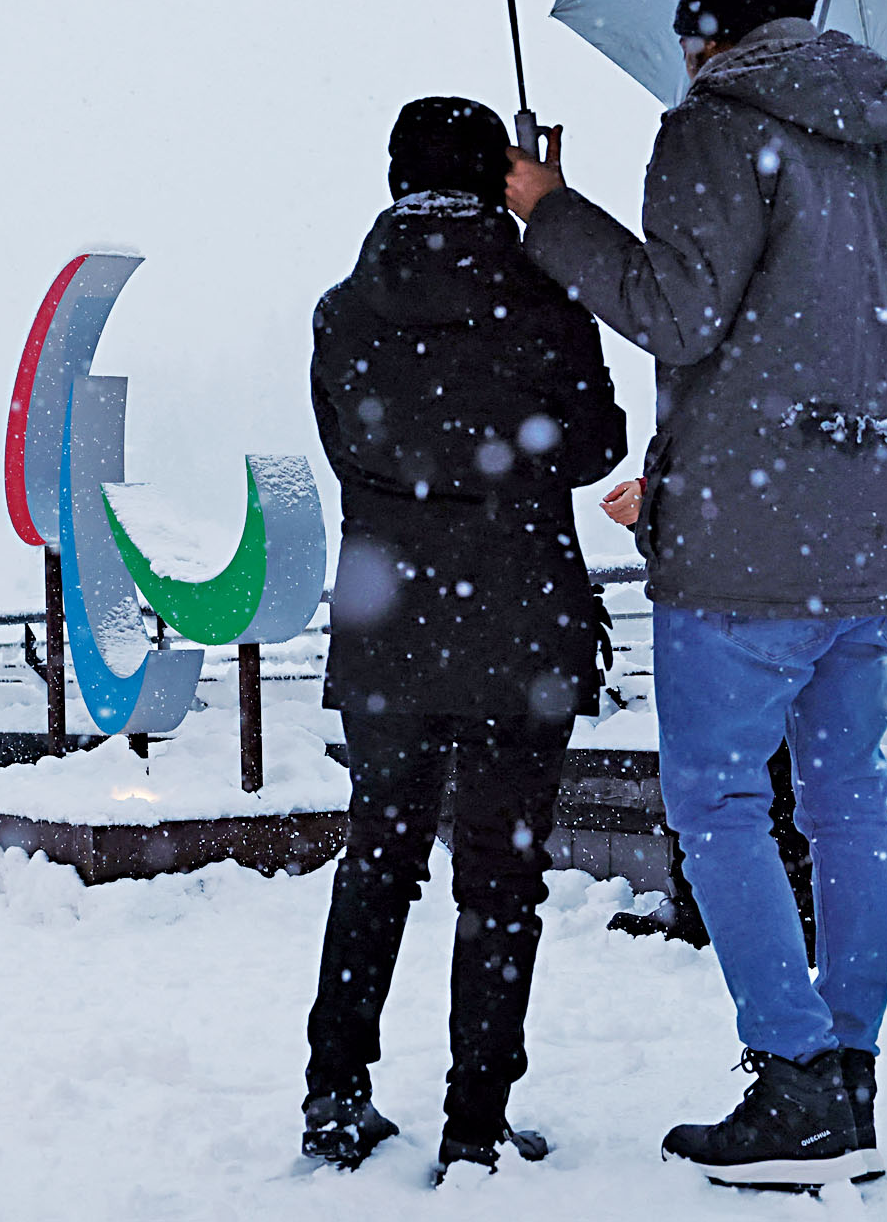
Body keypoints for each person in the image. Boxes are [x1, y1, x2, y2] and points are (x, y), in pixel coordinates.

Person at [506, 0, 887, 1190]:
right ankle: (848, 1072)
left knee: (715, 802)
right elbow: (852, 353)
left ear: (705, 33)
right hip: (871, 529)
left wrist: (548, 210)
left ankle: (793, 1078)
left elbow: (676, 312)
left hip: (747, 551)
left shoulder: (714, 127)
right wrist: (694, 454)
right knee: (846, 800)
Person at [301, 96, 628, 1181]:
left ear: (393, 178)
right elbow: (592, 449)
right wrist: (554, 237)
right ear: (501, 175)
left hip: (389, 625)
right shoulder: (544, 296)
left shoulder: (343, 312)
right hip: (517, 630)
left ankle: (334, 1094)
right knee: (499, 880)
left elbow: (354, 453)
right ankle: (474, 1124)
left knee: (378, 862)